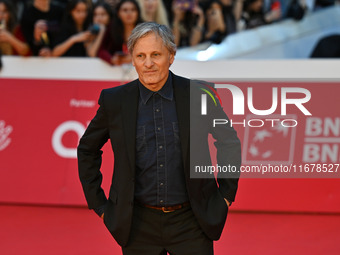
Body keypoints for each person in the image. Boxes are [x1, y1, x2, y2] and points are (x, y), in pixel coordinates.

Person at [78, 22, 241, 255]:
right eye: (140, 55)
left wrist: (225, 195)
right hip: (137, 226)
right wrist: (101, 205)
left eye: (156, 54)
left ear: (171, 56)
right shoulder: (115, 101)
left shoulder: (199, 95)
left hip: (192, 223)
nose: (148, 63)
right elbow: (87, 150)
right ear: (132, 58)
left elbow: (229, 142)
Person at [97, 0, 142, 65]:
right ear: (118, 13)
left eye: (133, 10)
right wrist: (111, 59)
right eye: (125, 10)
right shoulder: (112, 28)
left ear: (138, 13)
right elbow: (101, 51)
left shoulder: (145, 29)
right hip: (116, 70)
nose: (129, 13)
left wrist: (133, 58)